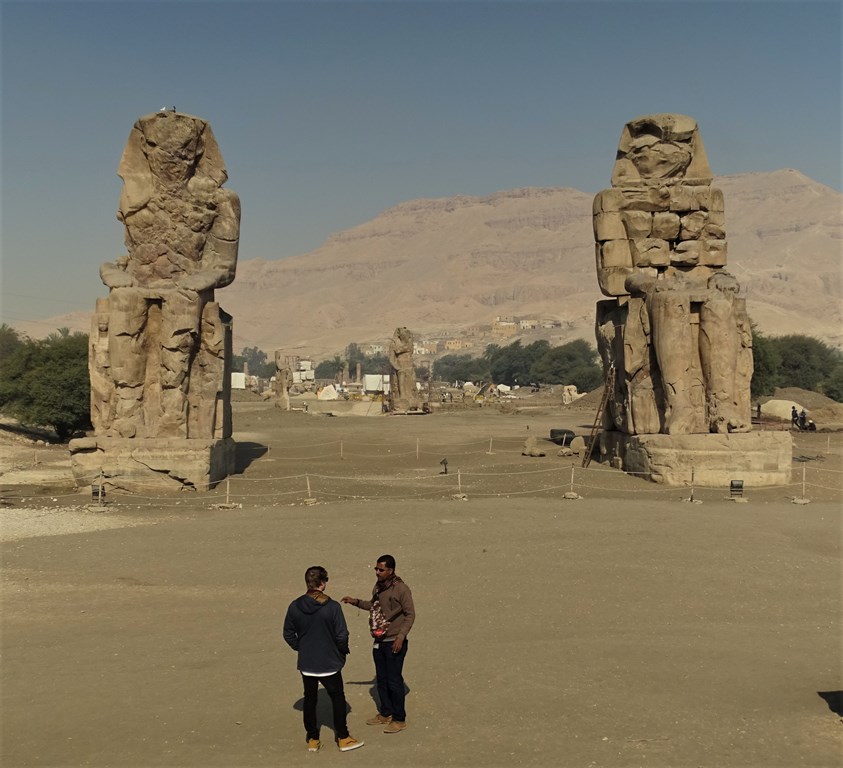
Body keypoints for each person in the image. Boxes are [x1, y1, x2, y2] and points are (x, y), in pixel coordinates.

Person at [283, 566, 364, 753]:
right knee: (337, 698)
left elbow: (288, 633)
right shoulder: (332, 607)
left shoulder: (295, 606)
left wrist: (301, 648)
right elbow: (342, 635)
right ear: (323, 584)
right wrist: (341, 652)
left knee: (309, 699)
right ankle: (343, 737)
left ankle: (312, 739)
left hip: (307, 663)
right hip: (329, 663)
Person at [342, 555, 415, 734]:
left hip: (394, 642)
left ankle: (399, 718)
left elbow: (410, 614)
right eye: (376, 569)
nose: (377, 572)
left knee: (394, 681)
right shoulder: (379, 587)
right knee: (381, 680)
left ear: (390, 570)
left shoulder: (401, 589)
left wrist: (400, 637)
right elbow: (374, 606)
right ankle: (385, 713)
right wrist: (355, 602)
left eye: (380, 570)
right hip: (379, 640)